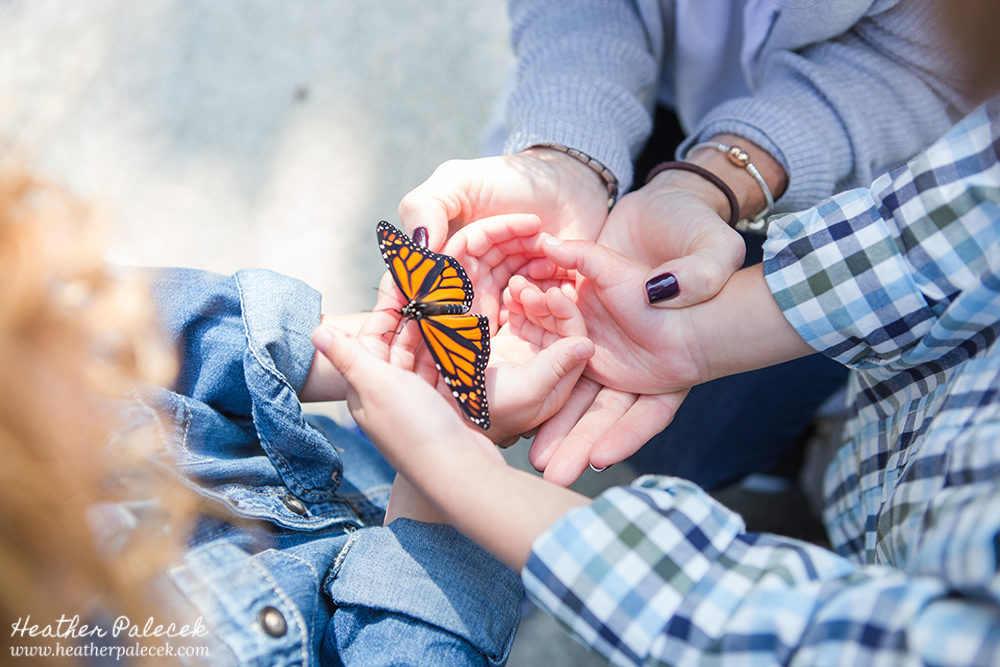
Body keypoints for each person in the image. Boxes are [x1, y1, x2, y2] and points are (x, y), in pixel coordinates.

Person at [312, 3, 1000, 659]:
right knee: (695, 439)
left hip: (894, 451)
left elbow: (823, 640)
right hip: (878, 433)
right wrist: (571, 157)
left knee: (705, 441)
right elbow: (959, 223)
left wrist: (458, 474)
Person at [0, 179, 590, 666]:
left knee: (465, 529)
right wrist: (445, 469)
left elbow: (154, 325)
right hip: (417, 553)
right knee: (490, 569)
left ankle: (500, 560)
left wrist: (372, 364)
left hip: (356, 472)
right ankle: (501, 564)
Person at [396, 0, 974, 487]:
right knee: (659, 431)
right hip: (639, 98)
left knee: (693, 448)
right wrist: (562, 154)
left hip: (856, 178)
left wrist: (716, 179)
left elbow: (927, 63)